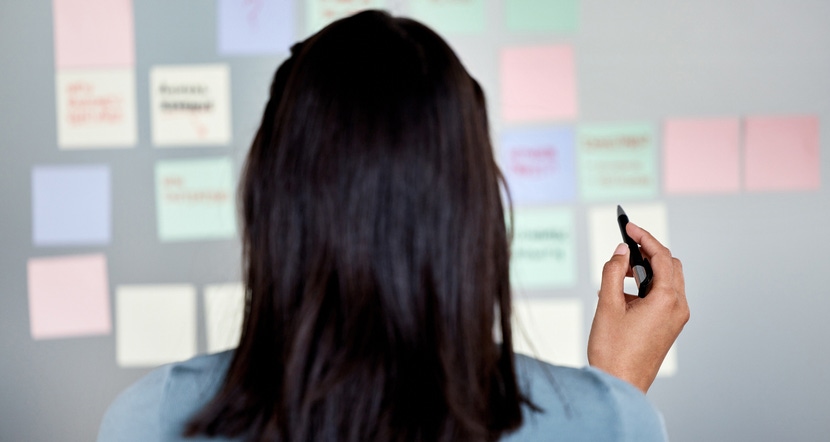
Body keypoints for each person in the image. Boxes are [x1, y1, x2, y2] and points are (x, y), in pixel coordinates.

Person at [98, 10, 688, 442]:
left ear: (269, 203)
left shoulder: (147, 421)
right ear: (475, 213)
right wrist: (611, 402)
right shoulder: (611, 423)